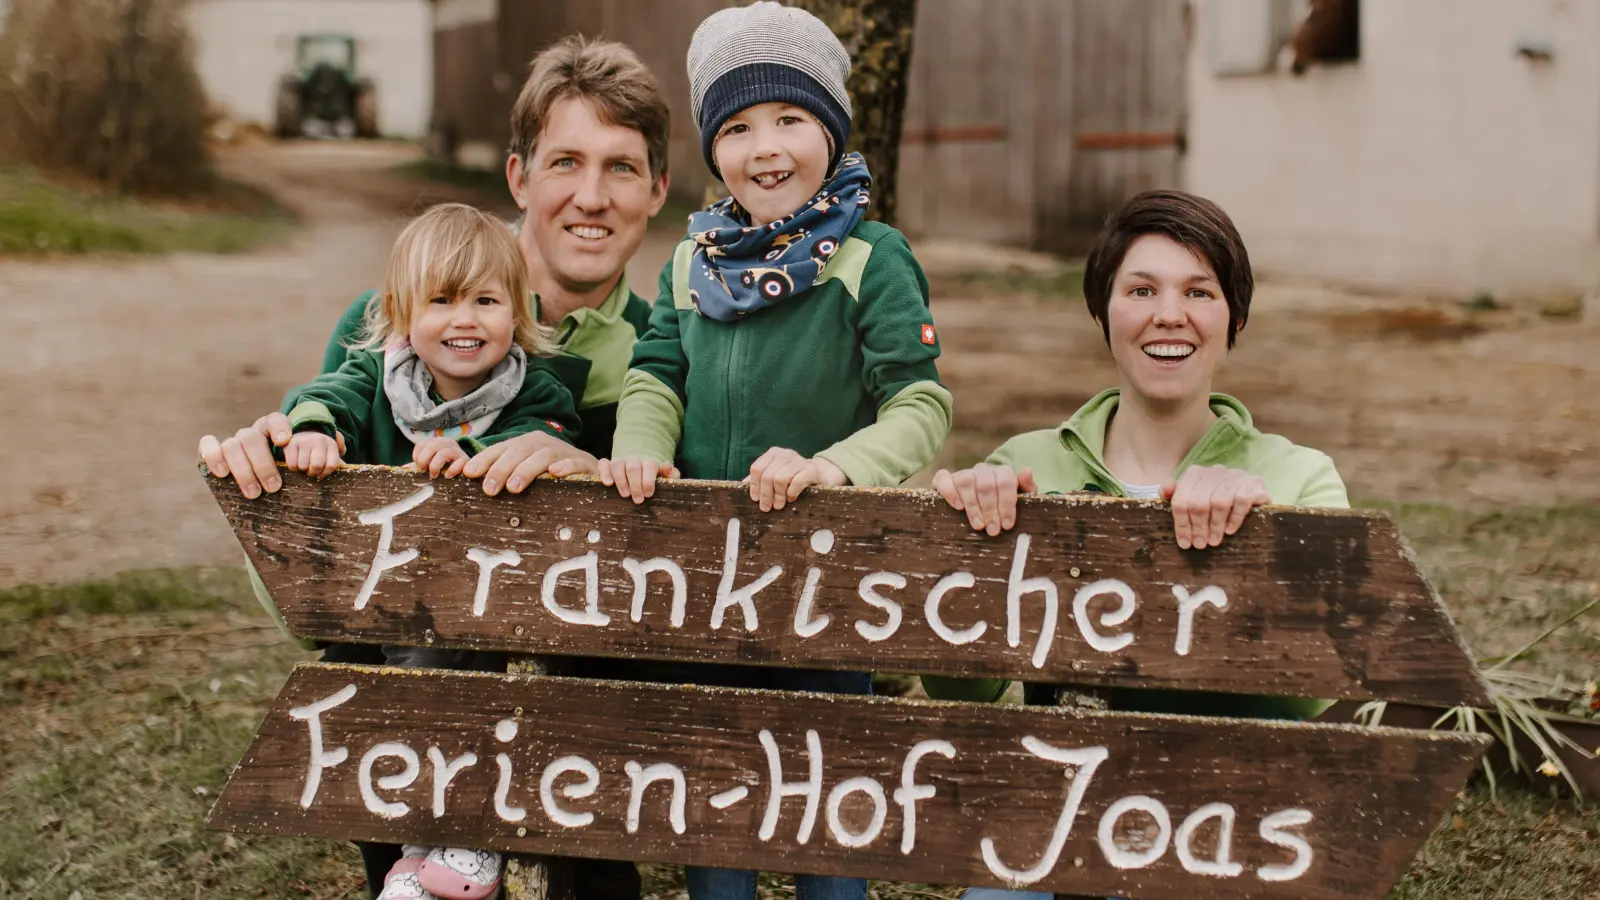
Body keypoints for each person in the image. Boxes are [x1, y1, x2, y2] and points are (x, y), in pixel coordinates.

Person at [197, 35, 674, 900]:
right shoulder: (386, 332)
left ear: (658, 190)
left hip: (589, 742)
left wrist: (590, 469)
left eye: (622, 168)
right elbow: (318, 598)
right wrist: (281, 492)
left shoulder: (664, 361)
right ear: (520, 178)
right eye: (566, 161)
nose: (592, 197)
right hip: (409, 708)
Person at [596, 5, 953, 900]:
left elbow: (918, 400)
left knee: (825, 780)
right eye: (739, 126)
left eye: (791, 119)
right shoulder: (693, 262)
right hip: (705, 579)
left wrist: (837, 467)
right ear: (713, 147)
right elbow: (656, 372)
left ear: (830, 130)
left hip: (826, 572)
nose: (767, 147)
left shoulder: (870, 259)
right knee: (719, 781)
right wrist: (642, 447)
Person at [924, 189, 1349, 900]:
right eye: (1141, 289)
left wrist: (1260, 540)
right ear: (1105, 310)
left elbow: (1311, 700)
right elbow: (965, 687)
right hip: (1060, 826)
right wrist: (975, 553)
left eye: (1199, 291)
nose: (1169, 314)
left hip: (1230, 833)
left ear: (1234, 316)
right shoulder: (1023, 466)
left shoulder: (1298, 476)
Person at [258, 202, 580, 900]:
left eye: (486, 301)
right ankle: (415, 849)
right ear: (405, 314)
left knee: (473, 690)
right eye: (442, 301)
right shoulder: (380, 378)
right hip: (391, 608)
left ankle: (468, 834)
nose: (465, 320)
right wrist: (315, 432)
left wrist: (473, 451)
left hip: (492, 608)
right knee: (392, 696)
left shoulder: (534, 389)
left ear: (516, 314)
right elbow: (326, 397)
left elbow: (547, 433)